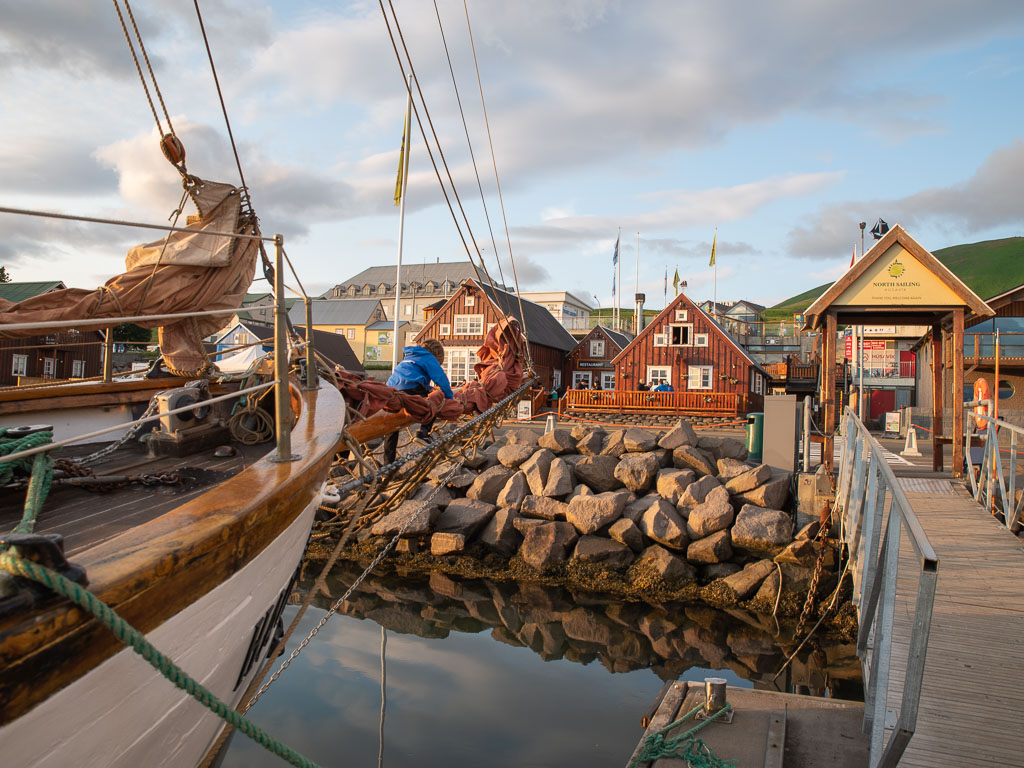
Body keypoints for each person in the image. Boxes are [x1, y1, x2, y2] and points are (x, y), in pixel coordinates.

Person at [383, 339, 454, 463]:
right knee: (433, 401)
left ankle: (387, 464)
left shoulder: (409, 358)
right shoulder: (428, 357)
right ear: (437, 356)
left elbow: (406, 376)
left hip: (391, 391)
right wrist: (450, 398)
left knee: (392, 428)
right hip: (411, 388)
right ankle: (423, 432)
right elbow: (441, 379)